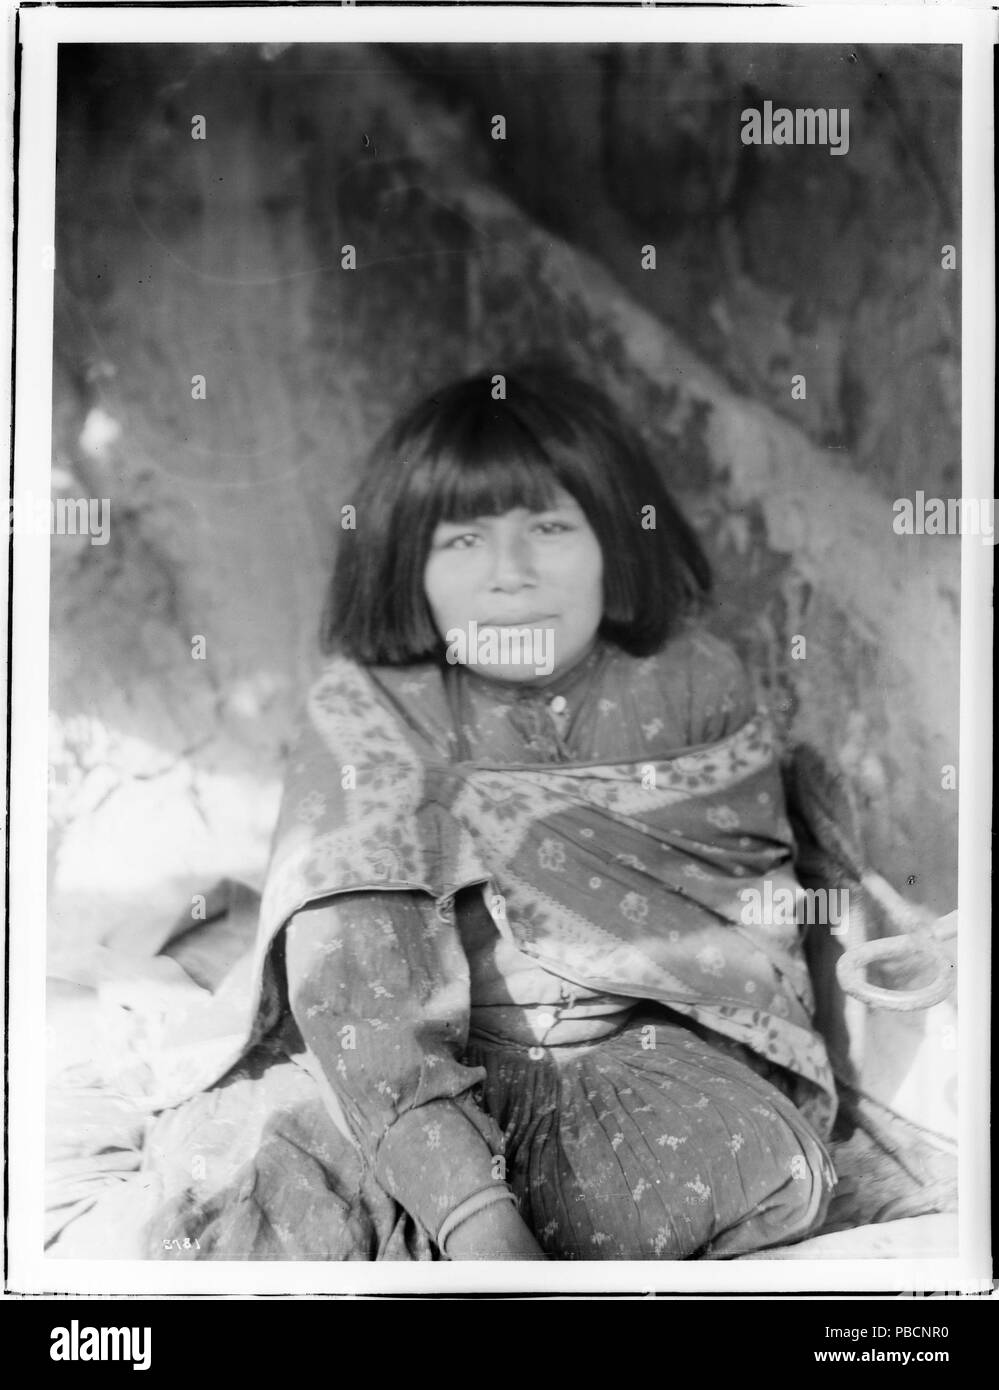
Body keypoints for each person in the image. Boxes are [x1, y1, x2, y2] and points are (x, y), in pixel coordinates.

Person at [143, 364, 838, 1261]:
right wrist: (474, 1214)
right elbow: (355, 975)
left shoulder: (694, 684)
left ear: (615, 544)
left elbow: (747, 920)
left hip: (639, 1060)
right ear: (406, 568)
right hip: (400, 1075)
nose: (510, 577)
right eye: (462, 542)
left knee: (765, 1165)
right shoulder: (371, 710)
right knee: (272, 1208)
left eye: (549, 527)